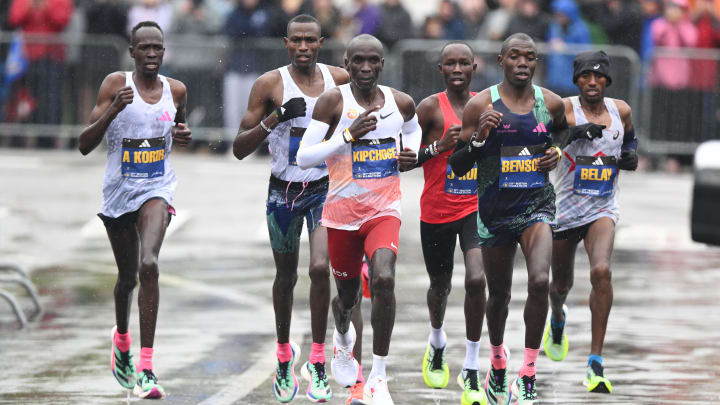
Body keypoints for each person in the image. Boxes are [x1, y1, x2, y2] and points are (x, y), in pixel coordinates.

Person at [296, 34, 421, 405]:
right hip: (341, 215)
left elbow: (412, 132)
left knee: (383, 278)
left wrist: (410, 152)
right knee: (347, 299)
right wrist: (346, 136)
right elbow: (305, 157)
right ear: (346, 64)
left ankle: (379, 377)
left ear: (382, 64)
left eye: (373, 62)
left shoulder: (400, 102)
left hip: (384, 210)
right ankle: (342, 339)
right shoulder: (334, 101)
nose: (365, 68)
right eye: (358, 62)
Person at [231, 14, 349, 403]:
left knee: (319, 268)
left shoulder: (340, 80)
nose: (302, 47)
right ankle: (284, 354)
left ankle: (317, 360)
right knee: (285, 278)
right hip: (282, 192)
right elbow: (239, 148)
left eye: (309, 41)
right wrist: (276, 117)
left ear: (321, 43)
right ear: (286, 43)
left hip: (324, 189)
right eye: (295, 40)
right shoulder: (270, 84)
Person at [449, 33, 567, 405]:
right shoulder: (482, 104)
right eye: (514, 56)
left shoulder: (550, 102)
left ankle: (528, 373)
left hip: (537, 207)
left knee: (540, 280)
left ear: (536, 63)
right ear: (501, 60)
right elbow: (457, 165)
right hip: (495, 213)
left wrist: (557, 152)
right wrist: (481, 138)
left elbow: (561, 134)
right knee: (499, 295)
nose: (522, 63)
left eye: (529, 57)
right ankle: (498, 360)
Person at [77, 21, 192, 400]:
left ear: (164, 51)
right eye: (144, 48)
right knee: (127, 278)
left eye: (157, 48)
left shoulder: (176, 90)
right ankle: (122, 339)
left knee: (149, 265)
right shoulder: (115, 85)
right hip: (118, 195)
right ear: (132, 52)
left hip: (157, 189)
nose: (151, 54)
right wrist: (112, 110)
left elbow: (179, 129)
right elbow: (84, 144)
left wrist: (182, 136)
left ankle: (146, 367)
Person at [544, 50, 638, 394]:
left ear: (607, 80)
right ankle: (557, 317)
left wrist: (631, 156)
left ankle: (595, 362)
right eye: (586, 76)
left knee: (601, 271)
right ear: (577, 80)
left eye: (599, 76)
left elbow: (630, 140)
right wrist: (572, 133)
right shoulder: (565, 109)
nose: (593, 82)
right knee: (560, 285)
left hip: (602, 207)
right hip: (565, 209)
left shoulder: (621, 110)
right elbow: (546, 144)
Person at [413, 41, 488, 405]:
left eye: (464, 63)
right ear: (440, 69)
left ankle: (472, 365)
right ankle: (437, 340)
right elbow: (405, 159)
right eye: (450, 64)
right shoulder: (428, 108)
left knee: (476, 278)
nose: (457, 69)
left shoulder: (486, 105)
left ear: (475, 67)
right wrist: (439, 147)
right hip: (436, 211)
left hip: (475, 208)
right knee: (439, 286)